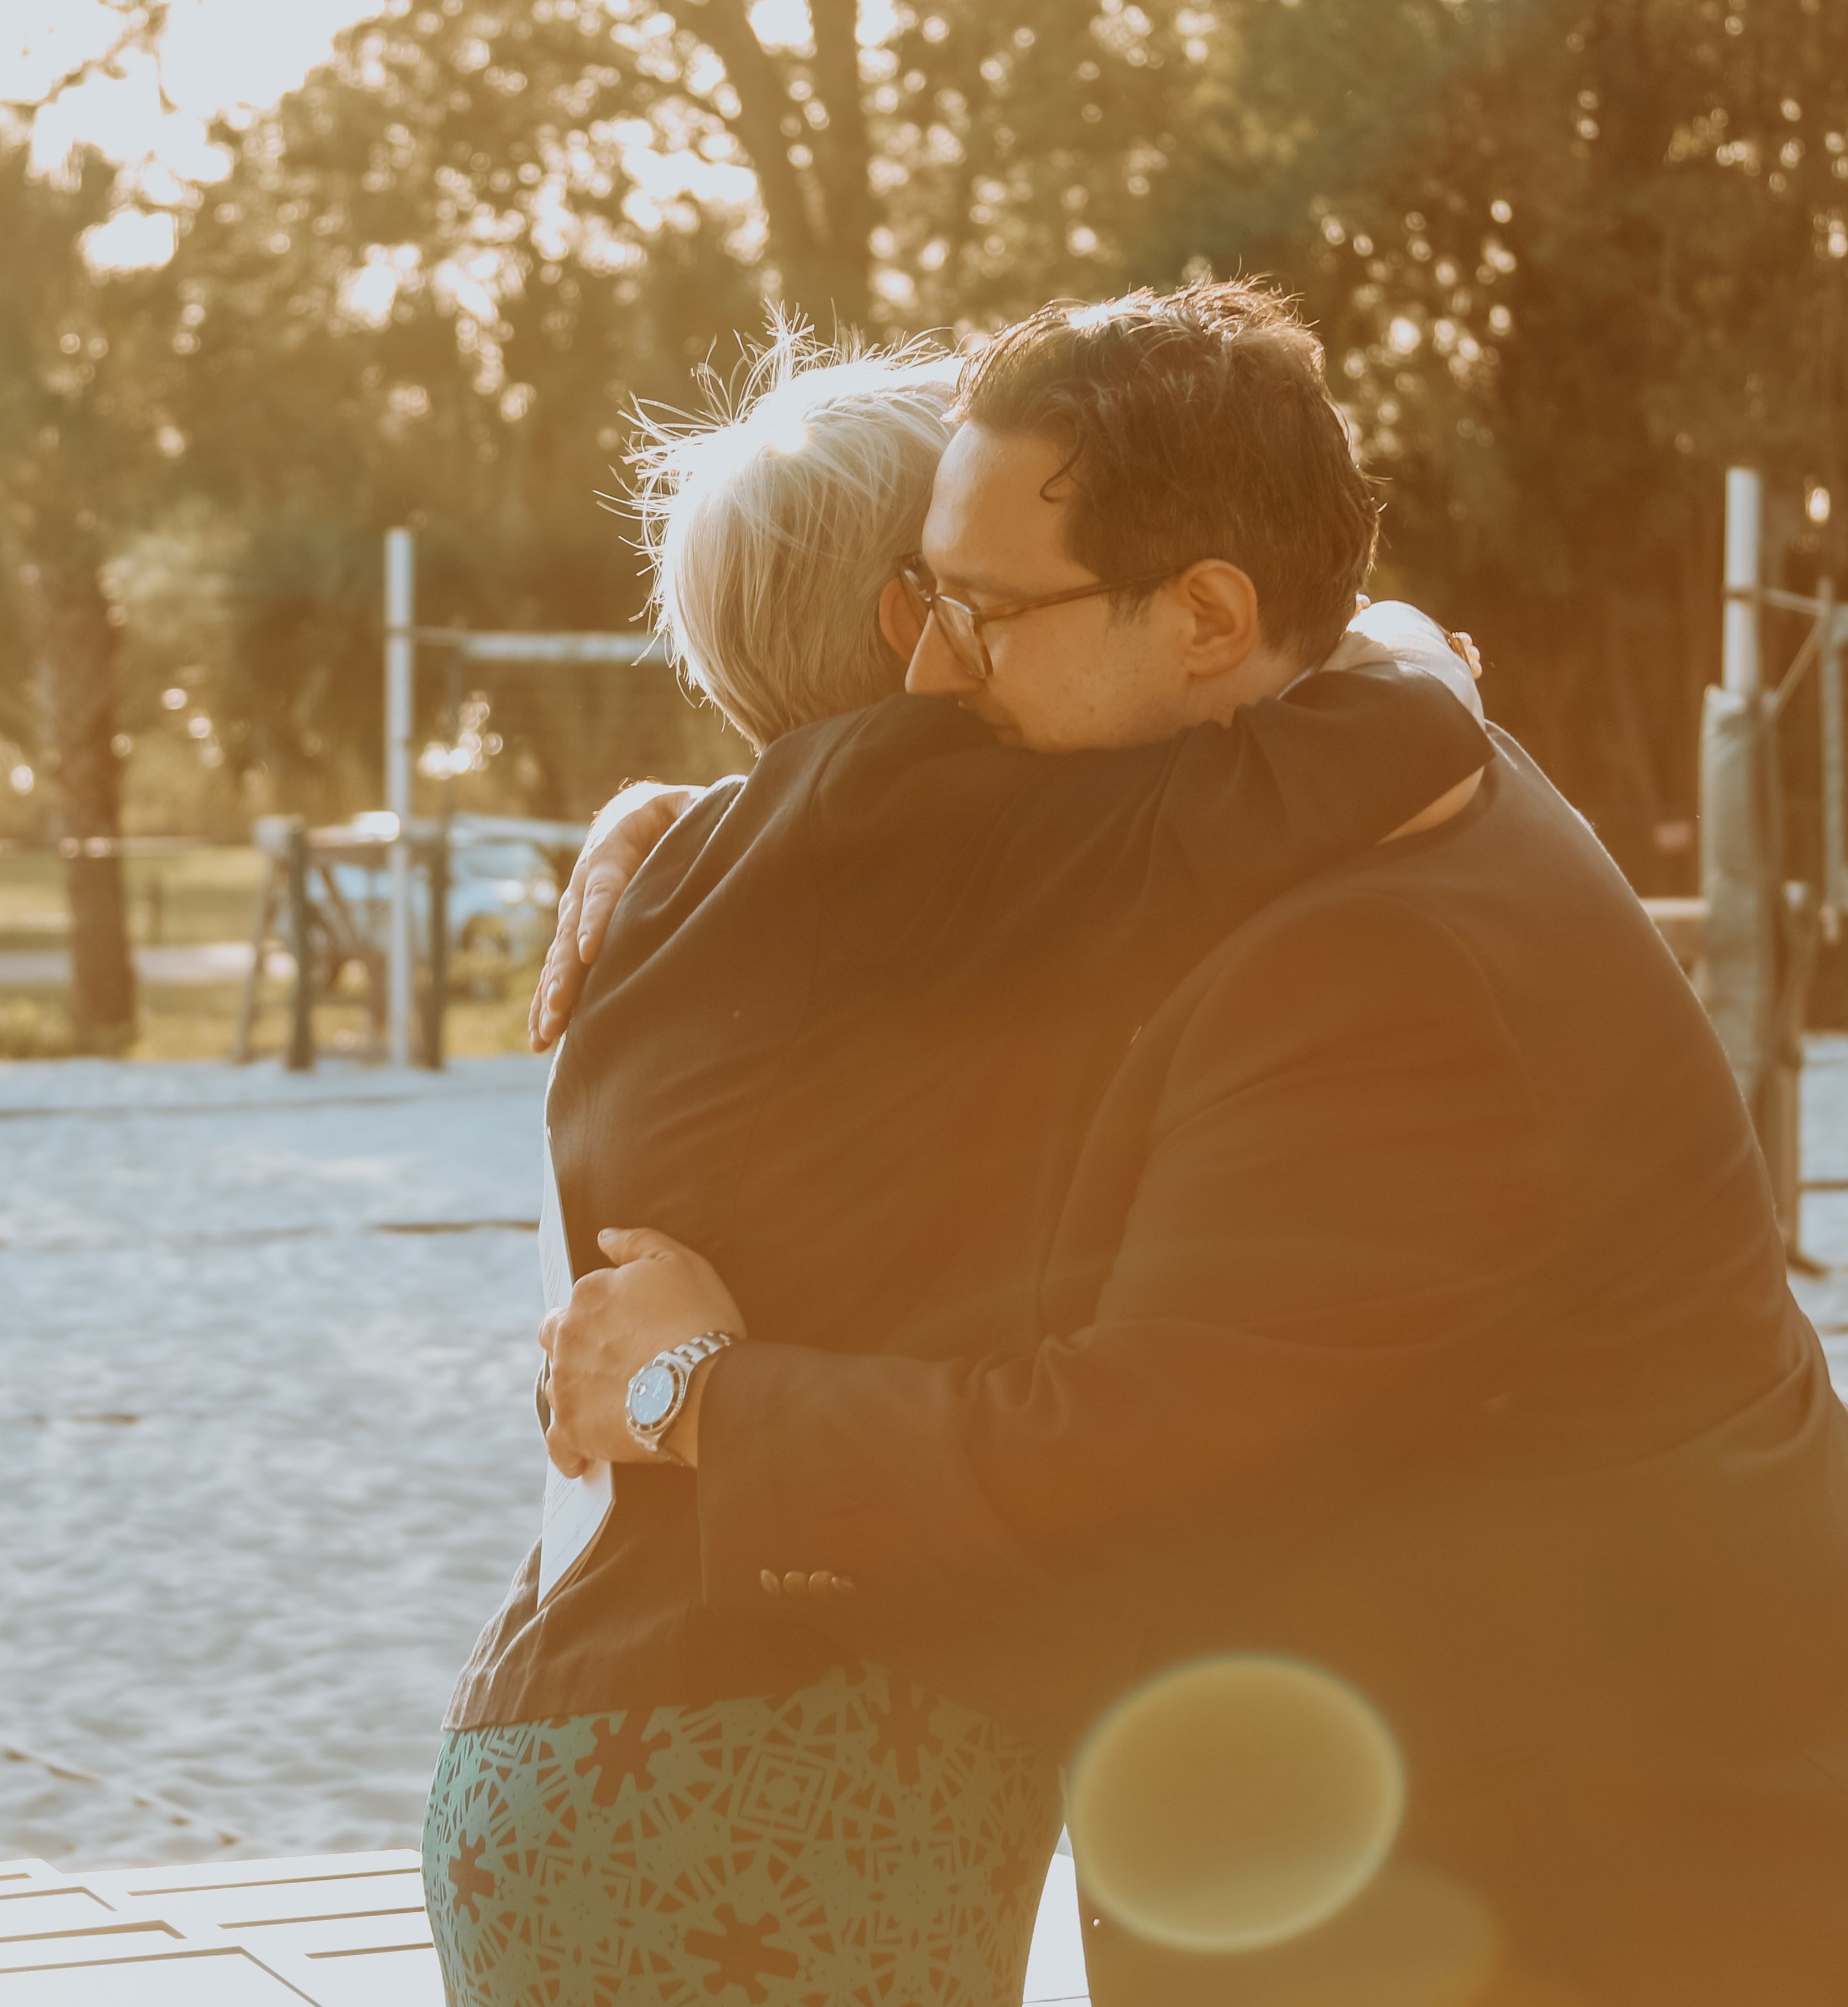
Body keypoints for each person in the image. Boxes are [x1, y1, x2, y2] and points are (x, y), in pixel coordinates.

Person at [542, 281, 1848, 2006]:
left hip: (1672, 1884)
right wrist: (707, 825)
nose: (931, 664)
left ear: (1203, 616)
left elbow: (1123, 1446)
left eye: (975, 608)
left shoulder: (1374, 961)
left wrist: (699, 1398)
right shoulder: (1311, 781)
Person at [424, 324, 1494, 2004]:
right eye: (972, 581)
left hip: (541, 1743)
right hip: (778, 1777)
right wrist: (1398, 631)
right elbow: (1407, 744)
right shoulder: (981, 832)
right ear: (909, 621)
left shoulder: (715, 854)